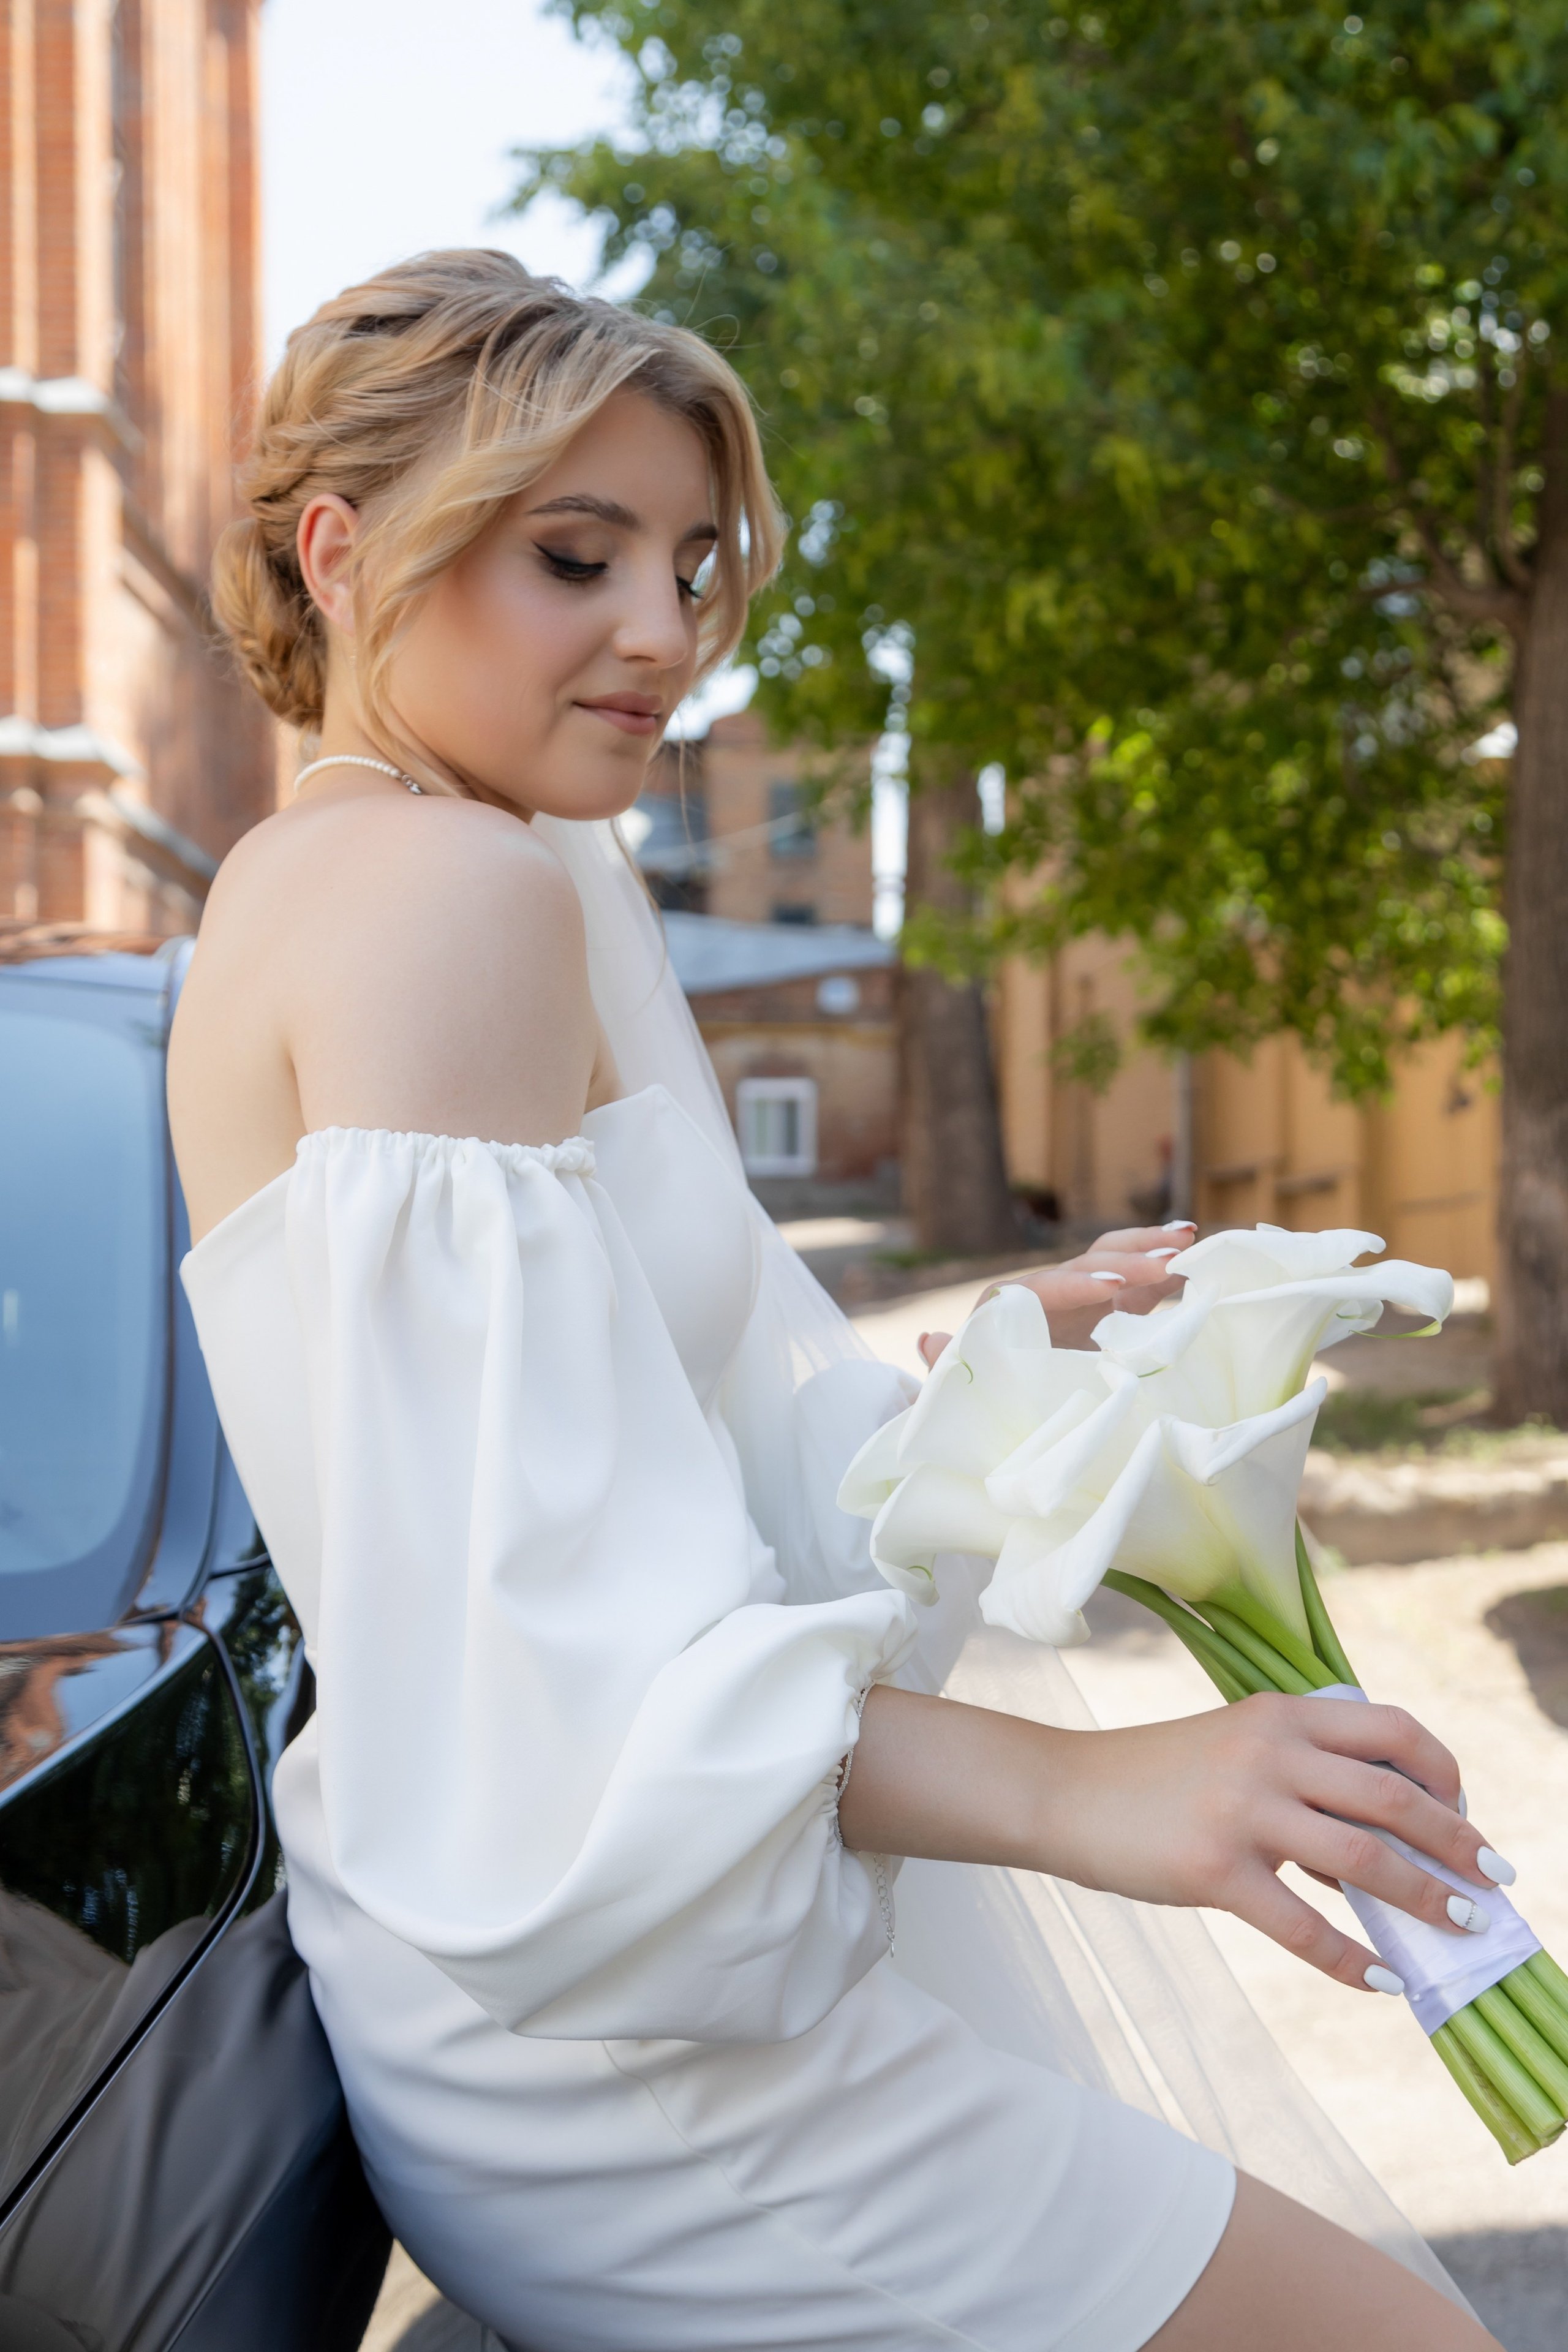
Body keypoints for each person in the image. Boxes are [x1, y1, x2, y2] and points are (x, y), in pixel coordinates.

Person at [167, 249, 1501, 2351]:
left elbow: (640, 1475)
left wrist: (997, 1344)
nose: (661, 633)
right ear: (342, 553)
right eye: (574, 555)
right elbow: (565, 1666)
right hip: (645, 2058)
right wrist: (1094, 1793)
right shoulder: (445, 895)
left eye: (692, 565)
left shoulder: (437, 866)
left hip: (575, 1983)